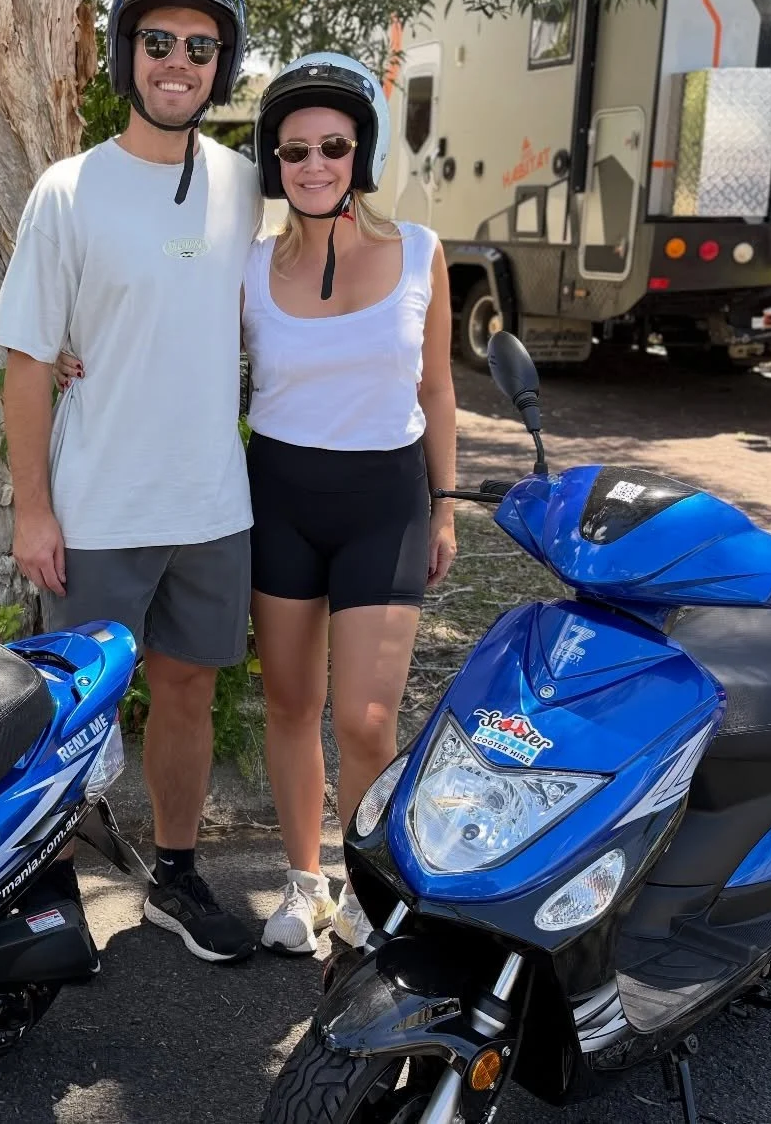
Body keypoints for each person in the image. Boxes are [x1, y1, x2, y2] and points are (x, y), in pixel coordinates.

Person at [60, 52, 459, 956]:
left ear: (361, 154)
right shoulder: (246, 267)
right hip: (278, 494)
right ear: (274, 164)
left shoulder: (422, 256)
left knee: (363, 719)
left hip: (385, 501)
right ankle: (303, 883)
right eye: (291, 152)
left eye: (331, 146)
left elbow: (437, 391)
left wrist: (442, 507)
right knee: (287, 703)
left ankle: (367, 890)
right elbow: (159, 321)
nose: (312, 164)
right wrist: (68, 351)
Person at [0, 0, 262, 966]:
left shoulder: (247, 188)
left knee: (188, 691)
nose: (178, 62)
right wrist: (33, 511)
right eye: (159, 42)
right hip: (97, 503)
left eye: (201, 45)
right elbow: (26, 367)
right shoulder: (69, 190)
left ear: (222, 63)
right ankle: (49, 883)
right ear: (126, 52)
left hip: (210, 504)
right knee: (72, 707)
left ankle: (179, 873)